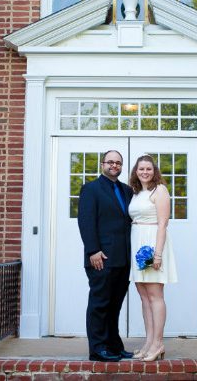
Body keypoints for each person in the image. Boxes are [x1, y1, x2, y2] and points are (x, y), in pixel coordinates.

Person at [77, 150, 134, 362]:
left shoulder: (127, 190)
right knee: (100, 304)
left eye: (118, 163)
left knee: (115, 305)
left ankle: (114, 345)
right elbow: (85, 221)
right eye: (110, 162)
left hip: (123, 258)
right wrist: (93, 250)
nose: (114, 165)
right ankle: (97, 348)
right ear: (103, 164)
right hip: (100, 257)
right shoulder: (91, 189)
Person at [127, 155, 178, 362]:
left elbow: (163, 224)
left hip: (151, 245)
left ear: (154, 170)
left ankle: (158, 343)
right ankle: (149, 342)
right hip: (137, 243)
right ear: (136, 171)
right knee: (144, 296)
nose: (145, 172)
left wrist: (157, 254)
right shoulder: (137, 192)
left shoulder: (160, 190)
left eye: (148, 168)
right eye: (141, 169)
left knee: (155, 294)